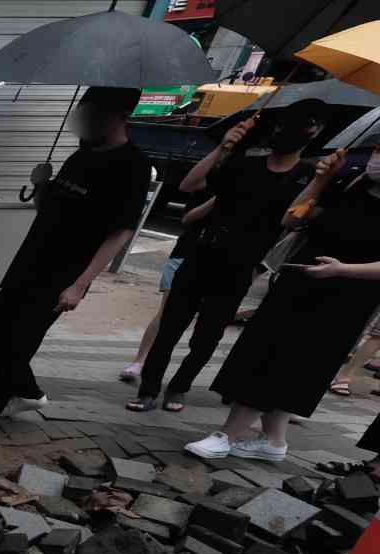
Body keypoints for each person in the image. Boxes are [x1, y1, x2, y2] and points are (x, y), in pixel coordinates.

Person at [0, 86, 151, 441]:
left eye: (93, 115)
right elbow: (48, 209)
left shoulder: (132, 166)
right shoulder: (80, 156)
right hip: (29, 260)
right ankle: (29, 392)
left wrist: (80, 284)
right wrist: (41, 185)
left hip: (65, 273)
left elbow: (120, 232)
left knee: (19, 344)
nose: (85, 121)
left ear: (119, 117)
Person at [128, 102, 324, 413]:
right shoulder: (245, 164)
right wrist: (222, 148)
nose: (283, 132)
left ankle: (179, 387)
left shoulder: (307, 177)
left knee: (207, 338)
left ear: (315, 131)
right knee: (169, 328)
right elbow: (189, 185)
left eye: (302, 125)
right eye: (280, 125)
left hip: (240, 268)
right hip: (202, 255)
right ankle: (148, 389)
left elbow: (291, 221)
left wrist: (320, 181)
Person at [189, 149, 380, 463]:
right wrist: (320, 180)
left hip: (345, 298)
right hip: (300, 280)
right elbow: (291, 218)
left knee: (281, 363)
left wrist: (342, 269)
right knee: (269, 355)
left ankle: (227, 435)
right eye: (377, 150)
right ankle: (274, 442)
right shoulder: (350, 183)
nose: (376, 159)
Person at [118, 217, 208, 384]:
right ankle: (139, 361)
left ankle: (175, 379)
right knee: (166, 312)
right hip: (184, 255)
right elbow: (188, 217)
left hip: (219, 264)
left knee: (194, 322)